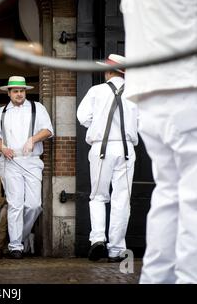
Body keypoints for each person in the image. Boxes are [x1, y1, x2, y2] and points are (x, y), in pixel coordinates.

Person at [121, 0, 197, 283]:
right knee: (190, 197)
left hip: (150, 92)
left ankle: (157, 278)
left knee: (170, 195)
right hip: (187, 83)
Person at [77, 54, 139, 262]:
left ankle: (97, 240)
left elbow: (83, 117)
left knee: (98, 196)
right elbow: (143, 122)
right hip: (126, 149)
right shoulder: (135, 93)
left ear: (109, 72)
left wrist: (98, 124)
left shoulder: (96, 91)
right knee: (122, 199)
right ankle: (116, 249)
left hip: (101, 148)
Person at [0, 76, 53, 259]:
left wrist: (33, 139)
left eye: (22, 91)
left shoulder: (37, 108)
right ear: (9, 93)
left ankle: (20, 237)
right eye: (15, 91)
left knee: (34, 205)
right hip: (10, 161)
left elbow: (48, 130)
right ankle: (16, 245)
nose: (19, 94)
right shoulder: (1, 112)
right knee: (15, 205)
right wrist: (3, 148)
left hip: (32, 161)